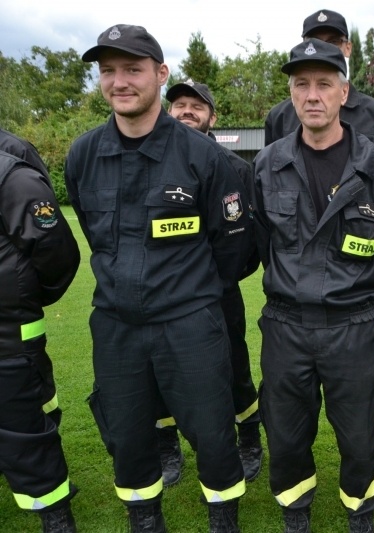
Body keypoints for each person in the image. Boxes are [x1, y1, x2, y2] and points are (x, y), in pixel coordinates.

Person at [65, 24, 253, 533]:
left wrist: (186, 294)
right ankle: (145, 520)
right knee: (128, 439)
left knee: (214, 436)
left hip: (190, 324)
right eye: (108, 71)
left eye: (133, 69)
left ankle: (224, 521)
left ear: (161, 74)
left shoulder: (203, 156)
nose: (119, 81)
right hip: (116, 328)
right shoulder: (83, 155)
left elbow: (232, 247)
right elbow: (94, 233)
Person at [253, 39, 374, 533]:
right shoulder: (267, 163)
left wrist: (363, 308)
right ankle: (295, 515)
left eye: (323, 84)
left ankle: (361, 515)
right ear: (291, 94)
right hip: (286, 326)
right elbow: (261, 242)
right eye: (301, 84)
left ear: (344, 92)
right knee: (286, 435)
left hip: (353, 328)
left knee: (358, 437)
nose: (312, 95)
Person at [163, 79, 263, 485]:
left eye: (197, 105)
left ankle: (249, 438)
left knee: (234, 367)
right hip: (161, 298)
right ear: (168, 111)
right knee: (161, 373)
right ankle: (166, 446)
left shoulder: (235, 166)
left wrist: (214, 281)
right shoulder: (151, 160)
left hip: (219, 295)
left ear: (213, 117)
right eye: (179, 104)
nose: (187, 111)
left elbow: (247, 244)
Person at [0, 144, 81, 532]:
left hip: (8, 336)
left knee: (25, 431)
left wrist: (25, 298)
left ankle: (56, 515)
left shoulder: (12, 176)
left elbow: (56, 254)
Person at [264, 9, 374, 165]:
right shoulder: (279, 117)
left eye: (333, 42)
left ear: (348, 47)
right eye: (314, 41)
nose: (322, 48)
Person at [0, 128, 65, 427]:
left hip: (14, 332)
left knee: (30, 419)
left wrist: (24, 293)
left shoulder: (14, 152)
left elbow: (53, 249)